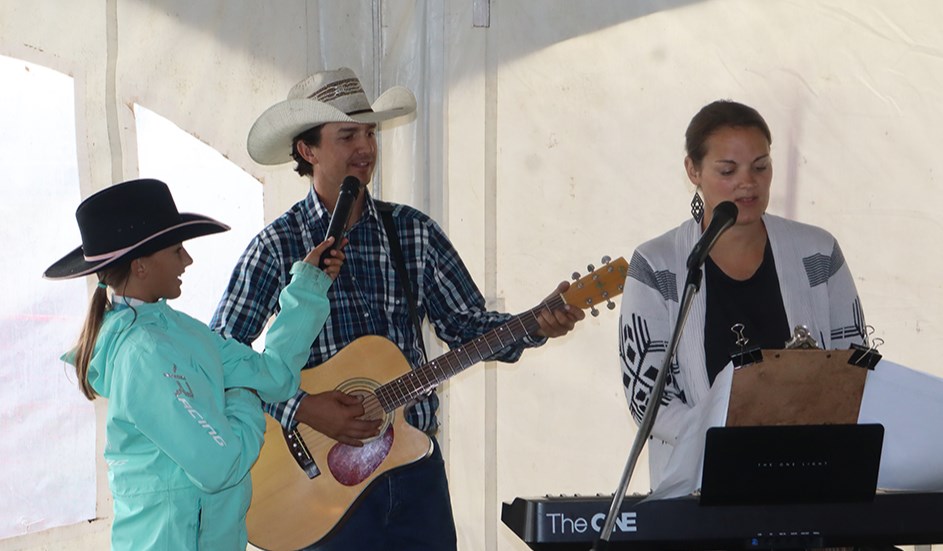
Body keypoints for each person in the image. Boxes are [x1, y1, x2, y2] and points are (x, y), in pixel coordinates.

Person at [210, 67, 584, 550]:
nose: (366, 147)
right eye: (348, 135)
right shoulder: (277, 245)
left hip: (412, 470)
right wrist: (304, 408)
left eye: (370, 132)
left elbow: (466, 325)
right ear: (308, 150)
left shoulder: (412, 231)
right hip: (314, 486)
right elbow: (219, 357)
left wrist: (536, 324)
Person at [44, 178, 345, 550]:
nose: (188, 260)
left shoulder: (179, 331)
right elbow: (221, 466)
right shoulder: (143, 355)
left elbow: (275, 377)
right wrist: (240, 394)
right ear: (140, 266)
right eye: (176, 250)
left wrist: (309, 285)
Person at [618, 100, 867, 488]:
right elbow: (648, 403)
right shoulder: (657, 265)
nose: (747, 182)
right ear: (693, 170)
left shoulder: (818, 252)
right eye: (727, 170)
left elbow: (855, 367)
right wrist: (732, 431)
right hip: (701, 488)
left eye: (760, 166)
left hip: (812, 478)